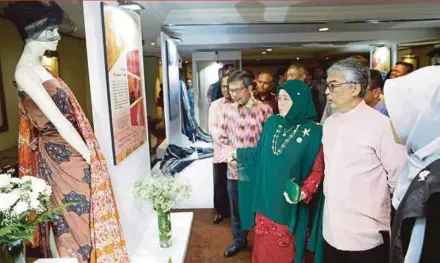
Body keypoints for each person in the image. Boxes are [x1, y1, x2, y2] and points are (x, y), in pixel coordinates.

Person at [4, 2, 129, 262]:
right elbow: (60, 121)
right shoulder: (25, 72)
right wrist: (90, 156)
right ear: (33, 32)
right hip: (60, 156)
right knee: (74, 216)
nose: (58, 35)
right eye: (51, 30)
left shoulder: (42, 70)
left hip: (70, 149)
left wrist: (88, 154)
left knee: (85, 212)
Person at [322, 58, 407, 263]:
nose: (327, 92)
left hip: (367, 233)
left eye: (333, 86)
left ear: (354, 88)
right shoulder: (330, 123)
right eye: (327, 85)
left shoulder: (381, 125)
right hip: (332, 227)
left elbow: (399, 177)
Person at [230, 80, 325, 263]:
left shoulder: (314, 133)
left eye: (286, 99)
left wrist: (304, 191)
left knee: (285, 253)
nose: (280, 103)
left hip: (289, 204)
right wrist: (238, 156)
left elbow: (318, 169)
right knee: (263, 250)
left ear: (300, 101)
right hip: (266, 200)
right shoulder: (273, 123)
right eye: (279, 98)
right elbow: (260, 153)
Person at [385, 66, 440, 263]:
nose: (389, 121)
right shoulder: (419, 160)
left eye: (397, 112)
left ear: (421, 115)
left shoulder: (435, 184)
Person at [219, 70, 273, 258]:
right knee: (236, 208)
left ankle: (262, 242)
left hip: (257, 168)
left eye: (237, 90)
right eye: (230, 90)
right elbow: (223, 139)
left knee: (258, 207)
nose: (233, 94)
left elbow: (268, 142)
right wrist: (231, 160)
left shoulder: (265, 109)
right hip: (235, 168)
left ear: (249, 88)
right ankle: (239, 241)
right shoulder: (227, 110)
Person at [208, 75, 232, 224]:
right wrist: (223, 139)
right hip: (221, 150)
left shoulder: (243, 104)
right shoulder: (215, 105)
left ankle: (238, 211)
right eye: (224, 86)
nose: (227, 90)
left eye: (230, 86)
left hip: (238, 152)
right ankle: (221, 211)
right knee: (220, 182)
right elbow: (212, 127)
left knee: (237, 184)